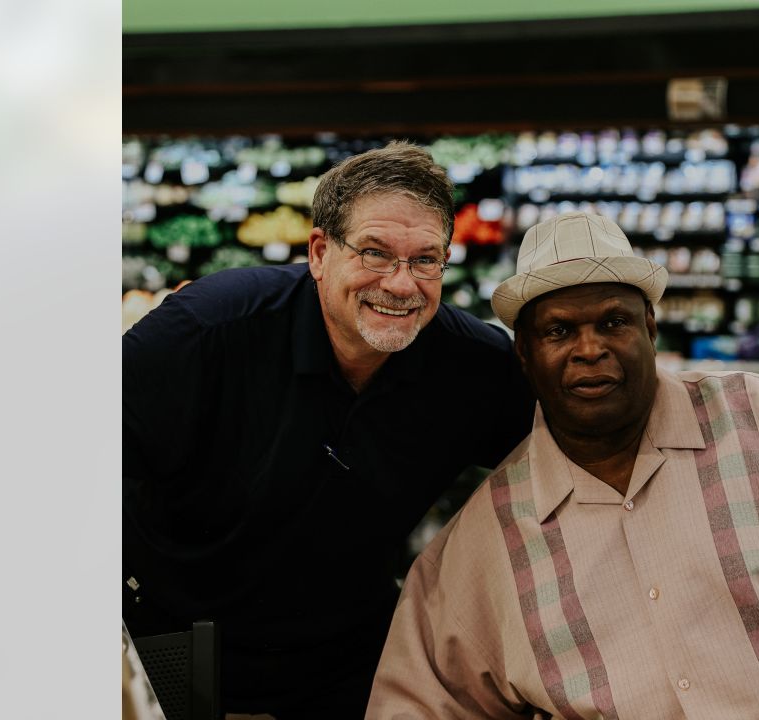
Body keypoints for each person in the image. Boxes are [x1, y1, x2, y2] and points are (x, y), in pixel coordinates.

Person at [122, 141, 535, 719]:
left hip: (345, 657)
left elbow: (573, 451)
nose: (400, 284)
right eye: (374, 252)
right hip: (176, 639)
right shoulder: (208, 331)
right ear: (319, 252)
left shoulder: (473, 368)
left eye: (425, 259)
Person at [368, 211, 759, 719]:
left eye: (613, 322)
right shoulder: (483, 541)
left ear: (649, 327)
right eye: (559, 331)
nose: (589, 349)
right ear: (524, 352)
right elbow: (416, 703)